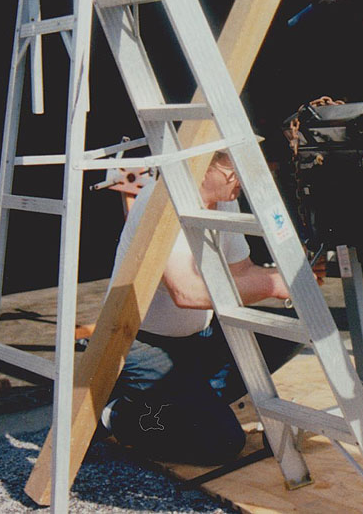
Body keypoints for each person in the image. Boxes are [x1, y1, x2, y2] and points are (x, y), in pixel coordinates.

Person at [99, 151, 306, 464]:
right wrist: (274, 284)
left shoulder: (224, 199)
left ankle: (186, 401)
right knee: (221, 442)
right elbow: (186, 291)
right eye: (232, 168)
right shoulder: (161, 202)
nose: (241, 176)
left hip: (198, 336)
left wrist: (290, 276)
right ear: (203, 164)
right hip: (141, 342)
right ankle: (121, 414)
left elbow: (241, 271)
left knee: (290, 333)